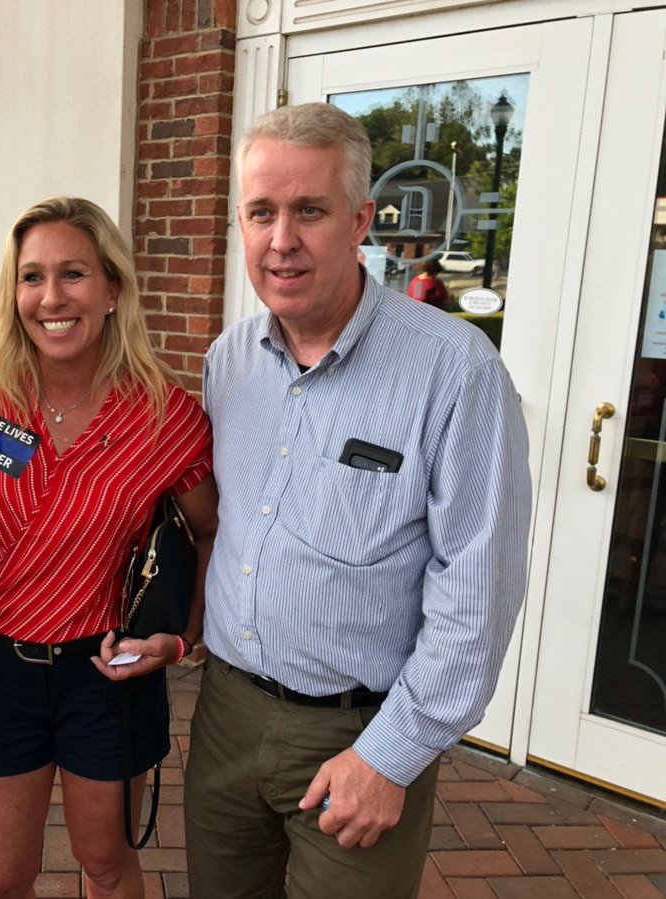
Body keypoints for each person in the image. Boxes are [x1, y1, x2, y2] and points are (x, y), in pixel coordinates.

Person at [186, 103, 531, 898]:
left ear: (360, 221)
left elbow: (476, 591)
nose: (282, 239)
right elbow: (223, 527)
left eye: (310, 210)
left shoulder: (454, 371)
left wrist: (392, 755)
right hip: (227, 716)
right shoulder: (229, 360)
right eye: (262, 212)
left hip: (361, 730)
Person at [0, 196, 219, 899]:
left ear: (112, 288)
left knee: (107, 865)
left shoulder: (165, 415)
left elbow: (211, 529)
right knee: (1, 878)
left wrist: (184, 637)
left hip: (109, 671)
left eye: (74, 274)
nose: (51, 298)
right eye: (32, 277)